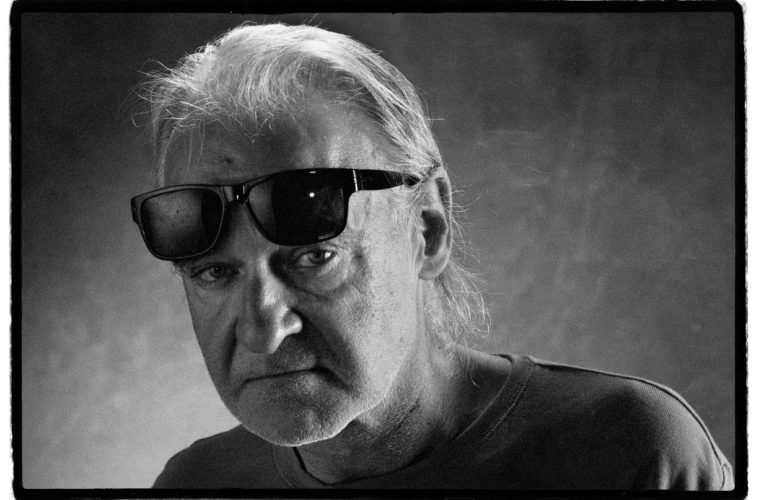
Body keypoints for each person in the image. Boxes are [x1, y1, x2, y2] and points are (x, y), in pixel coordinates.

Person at [130, 23, 733, 490]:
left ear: (427, 228)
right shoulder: (196, 483)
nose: (263, 332)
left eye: (314, 257)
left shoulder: (627, 455)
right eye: (215, 272)